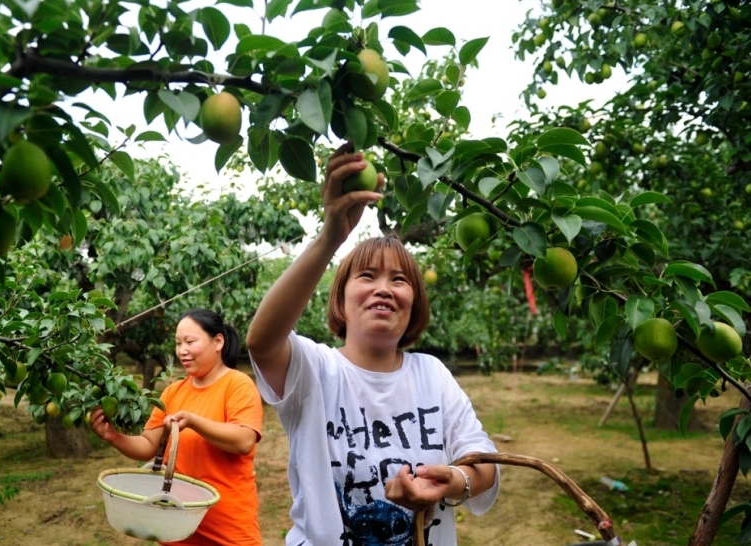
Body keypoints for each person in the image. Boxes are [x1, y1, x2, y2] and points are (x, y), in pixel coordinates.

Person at [246, 142, 500, 546]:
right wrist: (331, 236)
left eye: (399, 280)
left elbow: (482, 464)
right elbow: (261, 341)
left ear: (414, 302)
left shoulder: (431, 374)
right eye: (367, 276)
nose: (384, 289)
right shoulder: (315, 370)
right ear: (341, 298)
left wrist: (453, 479)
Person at [90, 308, 263, 546]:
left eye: (190, 342)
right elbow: (148, 444)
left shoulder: (238, 385)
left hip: (227, 525)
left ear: (218, 341)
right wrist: (114, 436)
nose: (182, 350)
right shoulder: (173, 392)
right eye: (178, 343)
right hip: (178, 521)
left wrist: (194, 422)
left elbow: (244, 441)